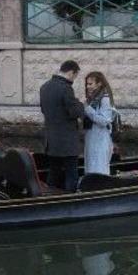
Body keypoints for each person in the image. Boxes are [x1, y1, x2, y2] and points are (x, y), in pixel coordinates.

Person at [39, 60, 86, 192]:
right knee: (71, 172)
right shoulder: (66, 88)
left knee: (54, 171)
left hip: (51, 140)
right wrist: (81, 104)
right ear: (71, 72)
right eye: (75, 76)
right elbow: (74, 112)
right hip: (67, 141)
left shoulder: (44, 87)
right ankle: (70, 201)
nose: (74, 79)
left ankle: (49, 197)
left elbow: (44, 110)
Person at [82, 71, 116, 176]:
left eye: (90, 84)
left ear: (99, 83)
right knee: (91, 166)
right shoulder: (93, 99)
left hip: (100, 140)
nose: (88, 87)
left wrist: (87, 108)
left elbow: (104, 120)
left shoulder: (104, 99)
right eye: (87, 84)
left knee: (99, 167)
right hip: (92, 138)